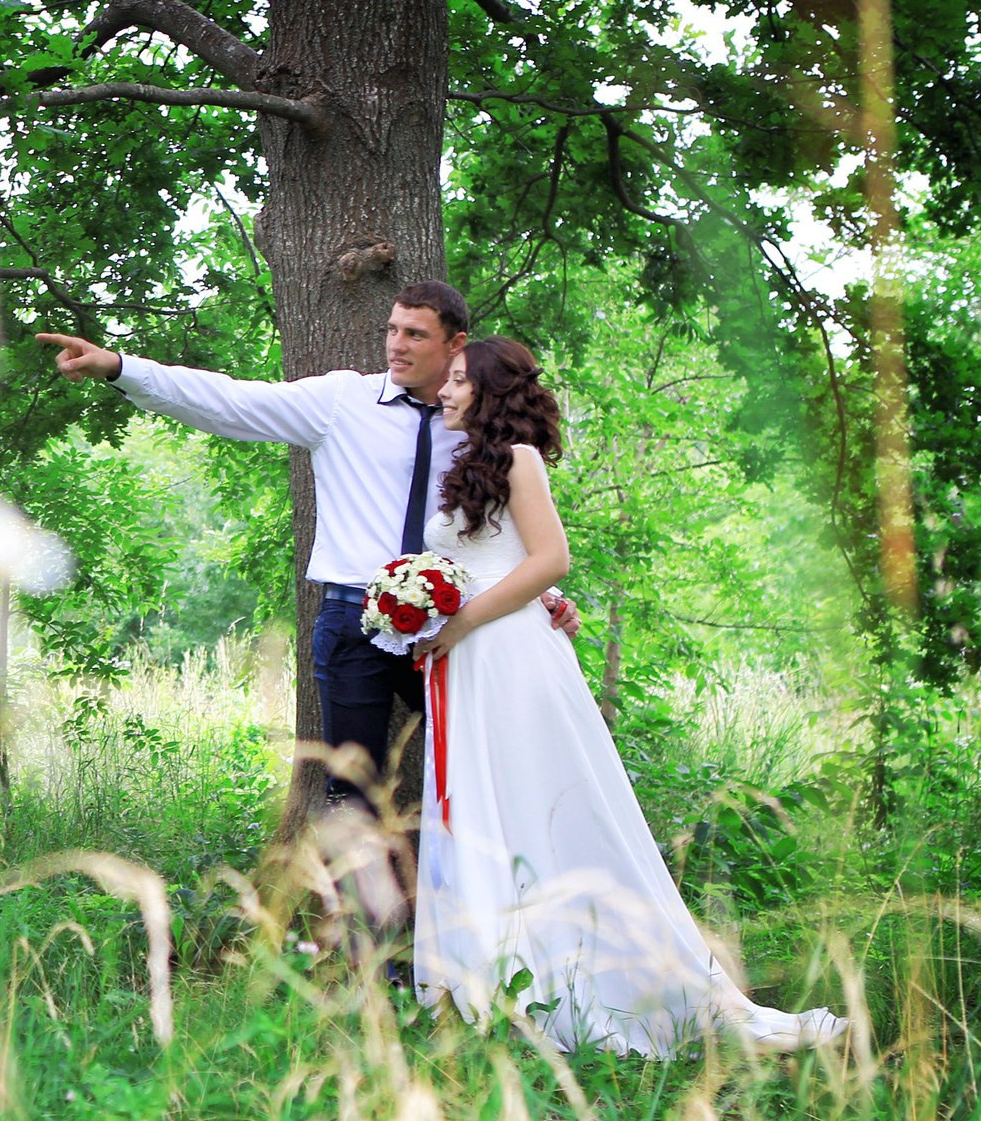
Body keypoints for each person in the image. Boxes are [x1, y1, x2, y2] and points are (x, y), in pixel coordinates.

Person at [409, 337, 844, 1053]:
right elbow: (516, 566)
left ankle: (566, 978)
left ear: (488, 392)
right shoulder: (471, 469)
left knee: (527, 801)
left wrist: (460, 623)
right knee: (486, 805)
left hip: (508, 660)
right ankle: (485, 974)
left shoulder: (519, 459)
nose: (447, 391)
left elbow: (553, 557)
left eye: (459, 381)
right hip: (471, 660)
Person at [35, 282, 577, 823]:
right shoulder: (342, 400)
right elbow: (231, 401)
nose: (397, 345)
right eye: (392, 330)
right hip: (353, 617)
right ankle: (362, 907)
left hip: (452, 623)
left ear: (455, 344)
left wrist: (540, 596)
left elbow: (496, 528)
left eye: (415, 334)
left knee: (477, 767)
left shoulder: (475, 426)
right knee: (352, 791)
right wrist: (120, 367)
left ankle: (493, 891)